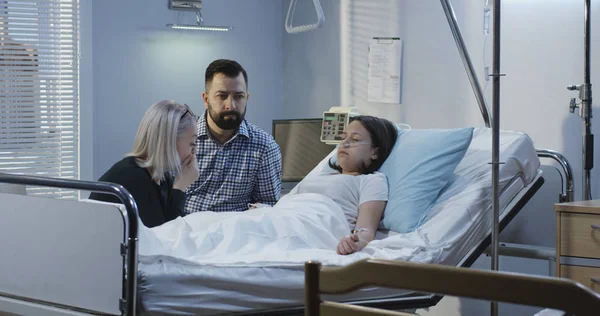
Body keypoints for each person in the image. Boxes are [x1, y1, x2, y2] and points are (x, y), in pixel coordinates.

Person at [184, 59, 282, 214]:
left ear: (247, 98)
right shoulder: (180, 139)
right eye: (222, 96)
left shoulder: (264, 147)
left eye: (239, 96)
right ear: (206, 99)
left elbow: (268, 205)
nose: (231, 105)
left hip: (236, 232)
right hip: (185, 229)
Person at [289, 115, 398, 255]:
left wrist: (356, 241)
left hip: (312, 232)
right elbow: (290, 204)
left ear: (375, 152)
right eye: (343, 138)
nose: (344, 143)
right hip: (288, 220)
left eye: (355, 139)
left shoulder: (371, 180)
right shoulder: (320, 177)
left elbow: (365, 230)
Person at [90, 100, 200, 228]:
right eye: (192, 143)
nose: (194, 151)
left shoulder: (161, 177)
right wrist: (181, 186)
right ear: (168, 142)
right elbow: (167, 237)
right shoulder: (133, 179)